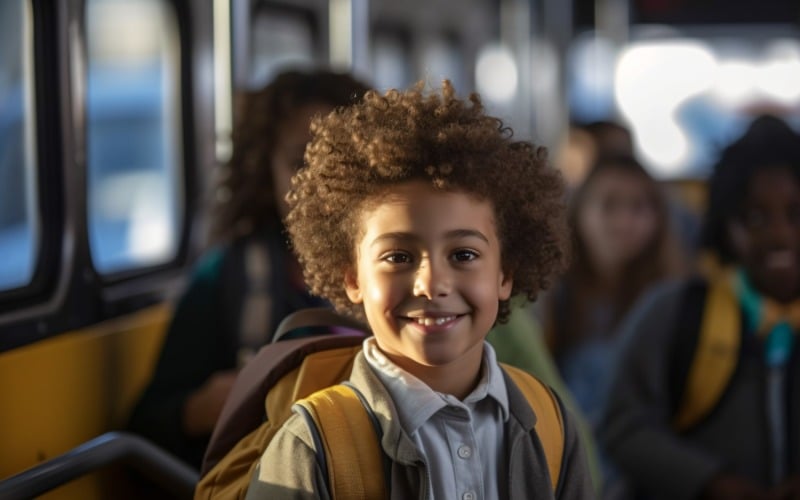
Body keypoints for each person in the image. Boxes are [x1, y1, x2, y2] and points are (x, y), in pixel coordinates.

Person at [244, 81, 593, 499]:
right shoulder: (312, 447)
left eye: (463, 255)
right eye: (398, 258)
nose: (432, 284)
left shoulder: (549, 421)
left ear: (505, 276)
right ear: (352, 278)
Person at [127, 69, 370, 469]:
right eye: (298, 162)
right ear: (265, 171)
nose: (319, 184)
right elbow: (146, 429)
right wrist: (206, 407)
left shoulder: (414, 272)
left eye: (341, 162)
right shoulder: (226, 278)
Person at [600, 115, 800, 500]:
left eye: (796, 214)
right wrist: (711, 482)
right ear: (726, 225)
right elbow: (622, 426)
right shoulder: (675, 311)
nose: (779, 234)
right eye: (755, 218)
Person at [543, 155, 684, 429]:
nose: (623, 222)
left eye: (638, 207)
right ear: (579, 211)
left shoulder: (673, 300)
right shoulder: (552, 295)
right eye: (609, 205)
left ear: (659, 219)